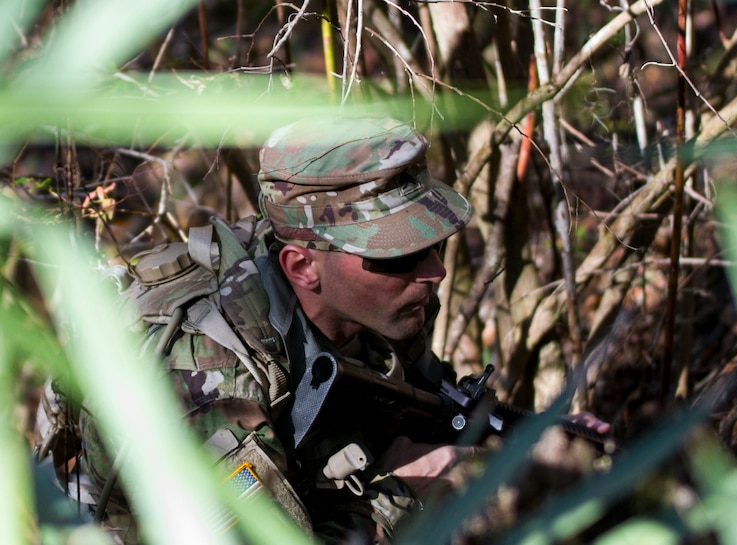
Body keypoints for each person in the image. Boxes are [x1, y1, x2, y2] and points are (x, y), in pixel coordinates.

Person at [40, 116, 609, 545]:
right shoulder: (208, 373)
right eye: (397, 256)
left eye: (434, 244)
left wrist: (523, 437)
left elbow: (419, 400)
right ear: (302, 267)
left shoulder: (380, 301)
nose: (433, 272)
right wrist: (410, 490)